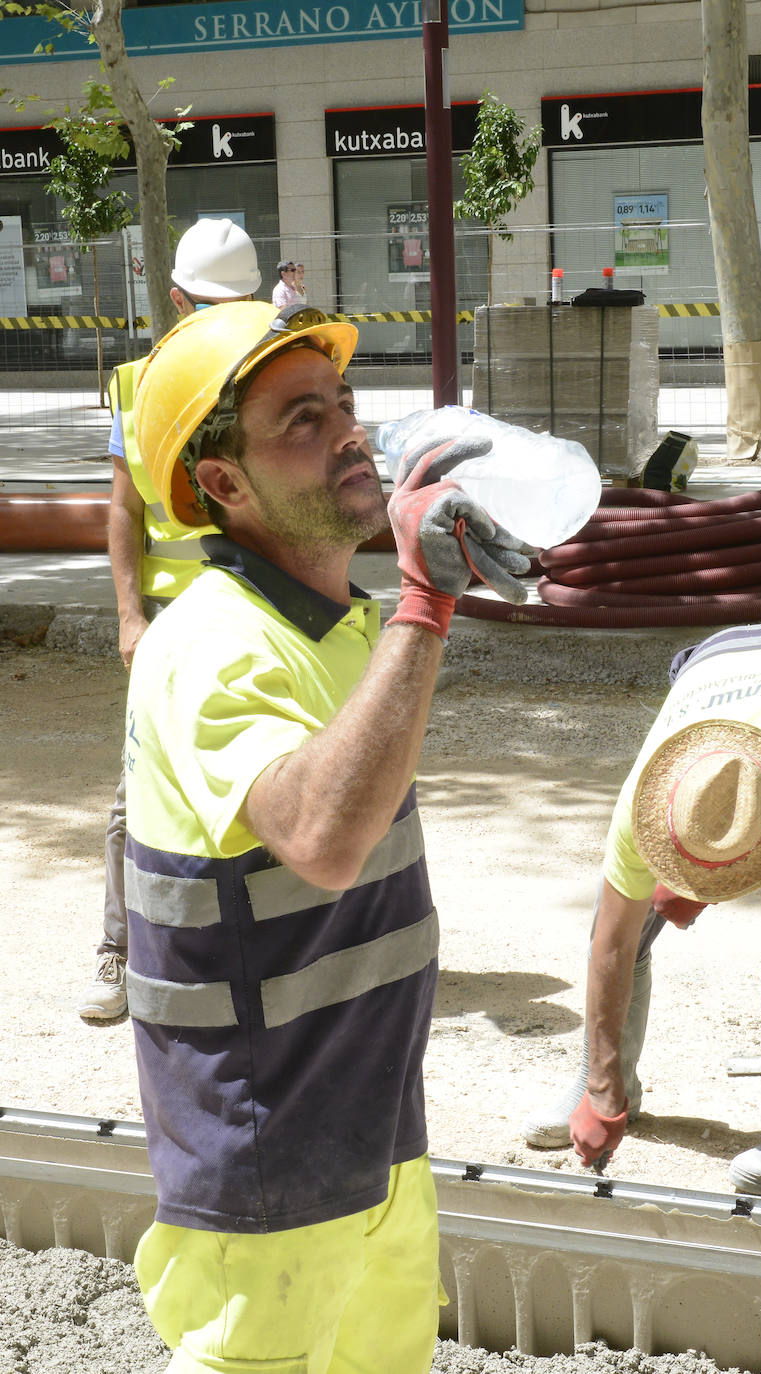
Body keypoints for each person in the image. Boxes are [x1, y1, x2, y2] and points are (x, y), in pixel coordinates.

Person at [121, 300, 530, 1371]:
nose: (349, 431)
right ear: (223, 485)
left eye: (343, 402)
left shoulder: (339, 627)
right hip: (264, 1151)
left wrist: (406, 609)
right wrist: (423, 606)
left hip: (370, 1128)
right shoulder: (208, 645)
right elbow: (322, 838)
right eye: (301, 419)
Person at [523, 621, 761, 1196]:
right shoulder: (642, 808)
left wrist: (707, 885)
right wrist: (601, 1085)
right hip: (717, 664)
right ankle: (619, 1085)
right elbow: (610, 945)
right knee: (620, 921)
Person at [76, 217, 262, 1022]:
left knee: (260, 782)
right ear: (180, 299)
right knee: (137, 793)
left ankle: (253, 949)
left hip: (255, 618)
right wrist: (128, 615)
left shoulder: (272, 377)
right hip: (170, 622)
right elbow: (123, 507)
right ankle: (119, 951)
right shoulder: (137, 383)